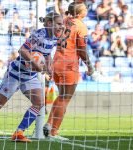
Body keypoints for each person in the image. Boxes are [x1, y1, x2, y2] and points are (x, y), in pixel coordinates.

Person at [0, 12, 64, 142]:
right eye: (59, 24)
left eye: (62, 24)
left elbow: (47, 54)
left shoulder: (55, 38)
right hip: (16, 73)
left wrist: (49, 67)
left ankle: (19, 133)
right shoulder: (38, 35)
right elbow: (22, 50)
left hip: (30, 76)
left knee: (39, 103)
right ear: (50, 23)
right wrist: (35, 64)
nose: (62, 26)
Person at [43, 2, 94, 141]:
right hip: (69, 65)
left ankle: (48, 124)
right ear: (79, 13)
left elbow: (61, 12)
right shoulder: (81, 27)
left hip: (57, 62)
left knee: (61, 97)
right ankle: (53, 132)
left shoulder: (64, 20)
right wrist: (89, 65)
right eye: (85, 9)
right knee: (65, 99)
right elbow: (82, 50)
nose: (87, 10)